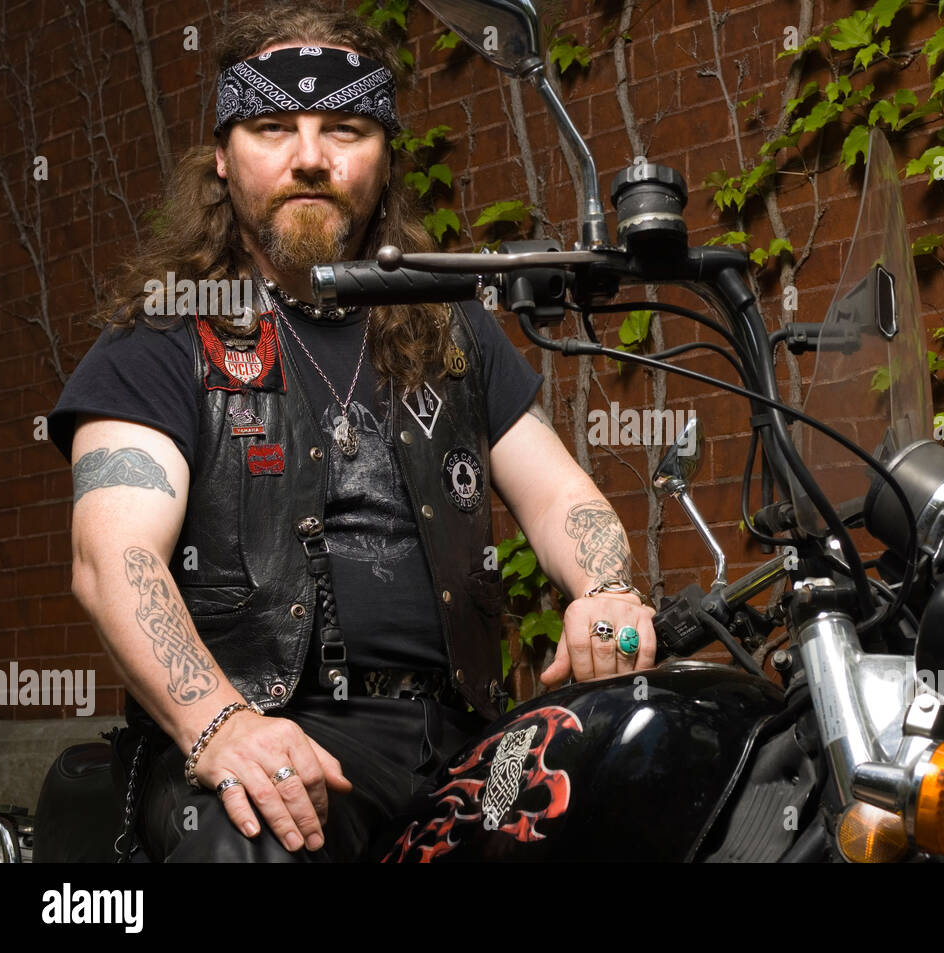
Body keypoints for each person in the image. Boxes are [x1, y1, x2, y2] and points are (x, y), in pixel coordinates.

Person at [46, 1, 655, 862]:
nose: (308, 157)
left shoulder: (451, 327)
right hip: (281, 735)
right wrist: (222, 726)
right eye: (271, 127)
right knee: (248, 840)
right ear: (221, 157)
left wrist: (606, 589)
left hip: (470, 743)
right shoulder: (163, 335)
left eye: (344, 128)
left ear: (384, 156)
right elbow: (112, 561)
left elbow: (559, 496)